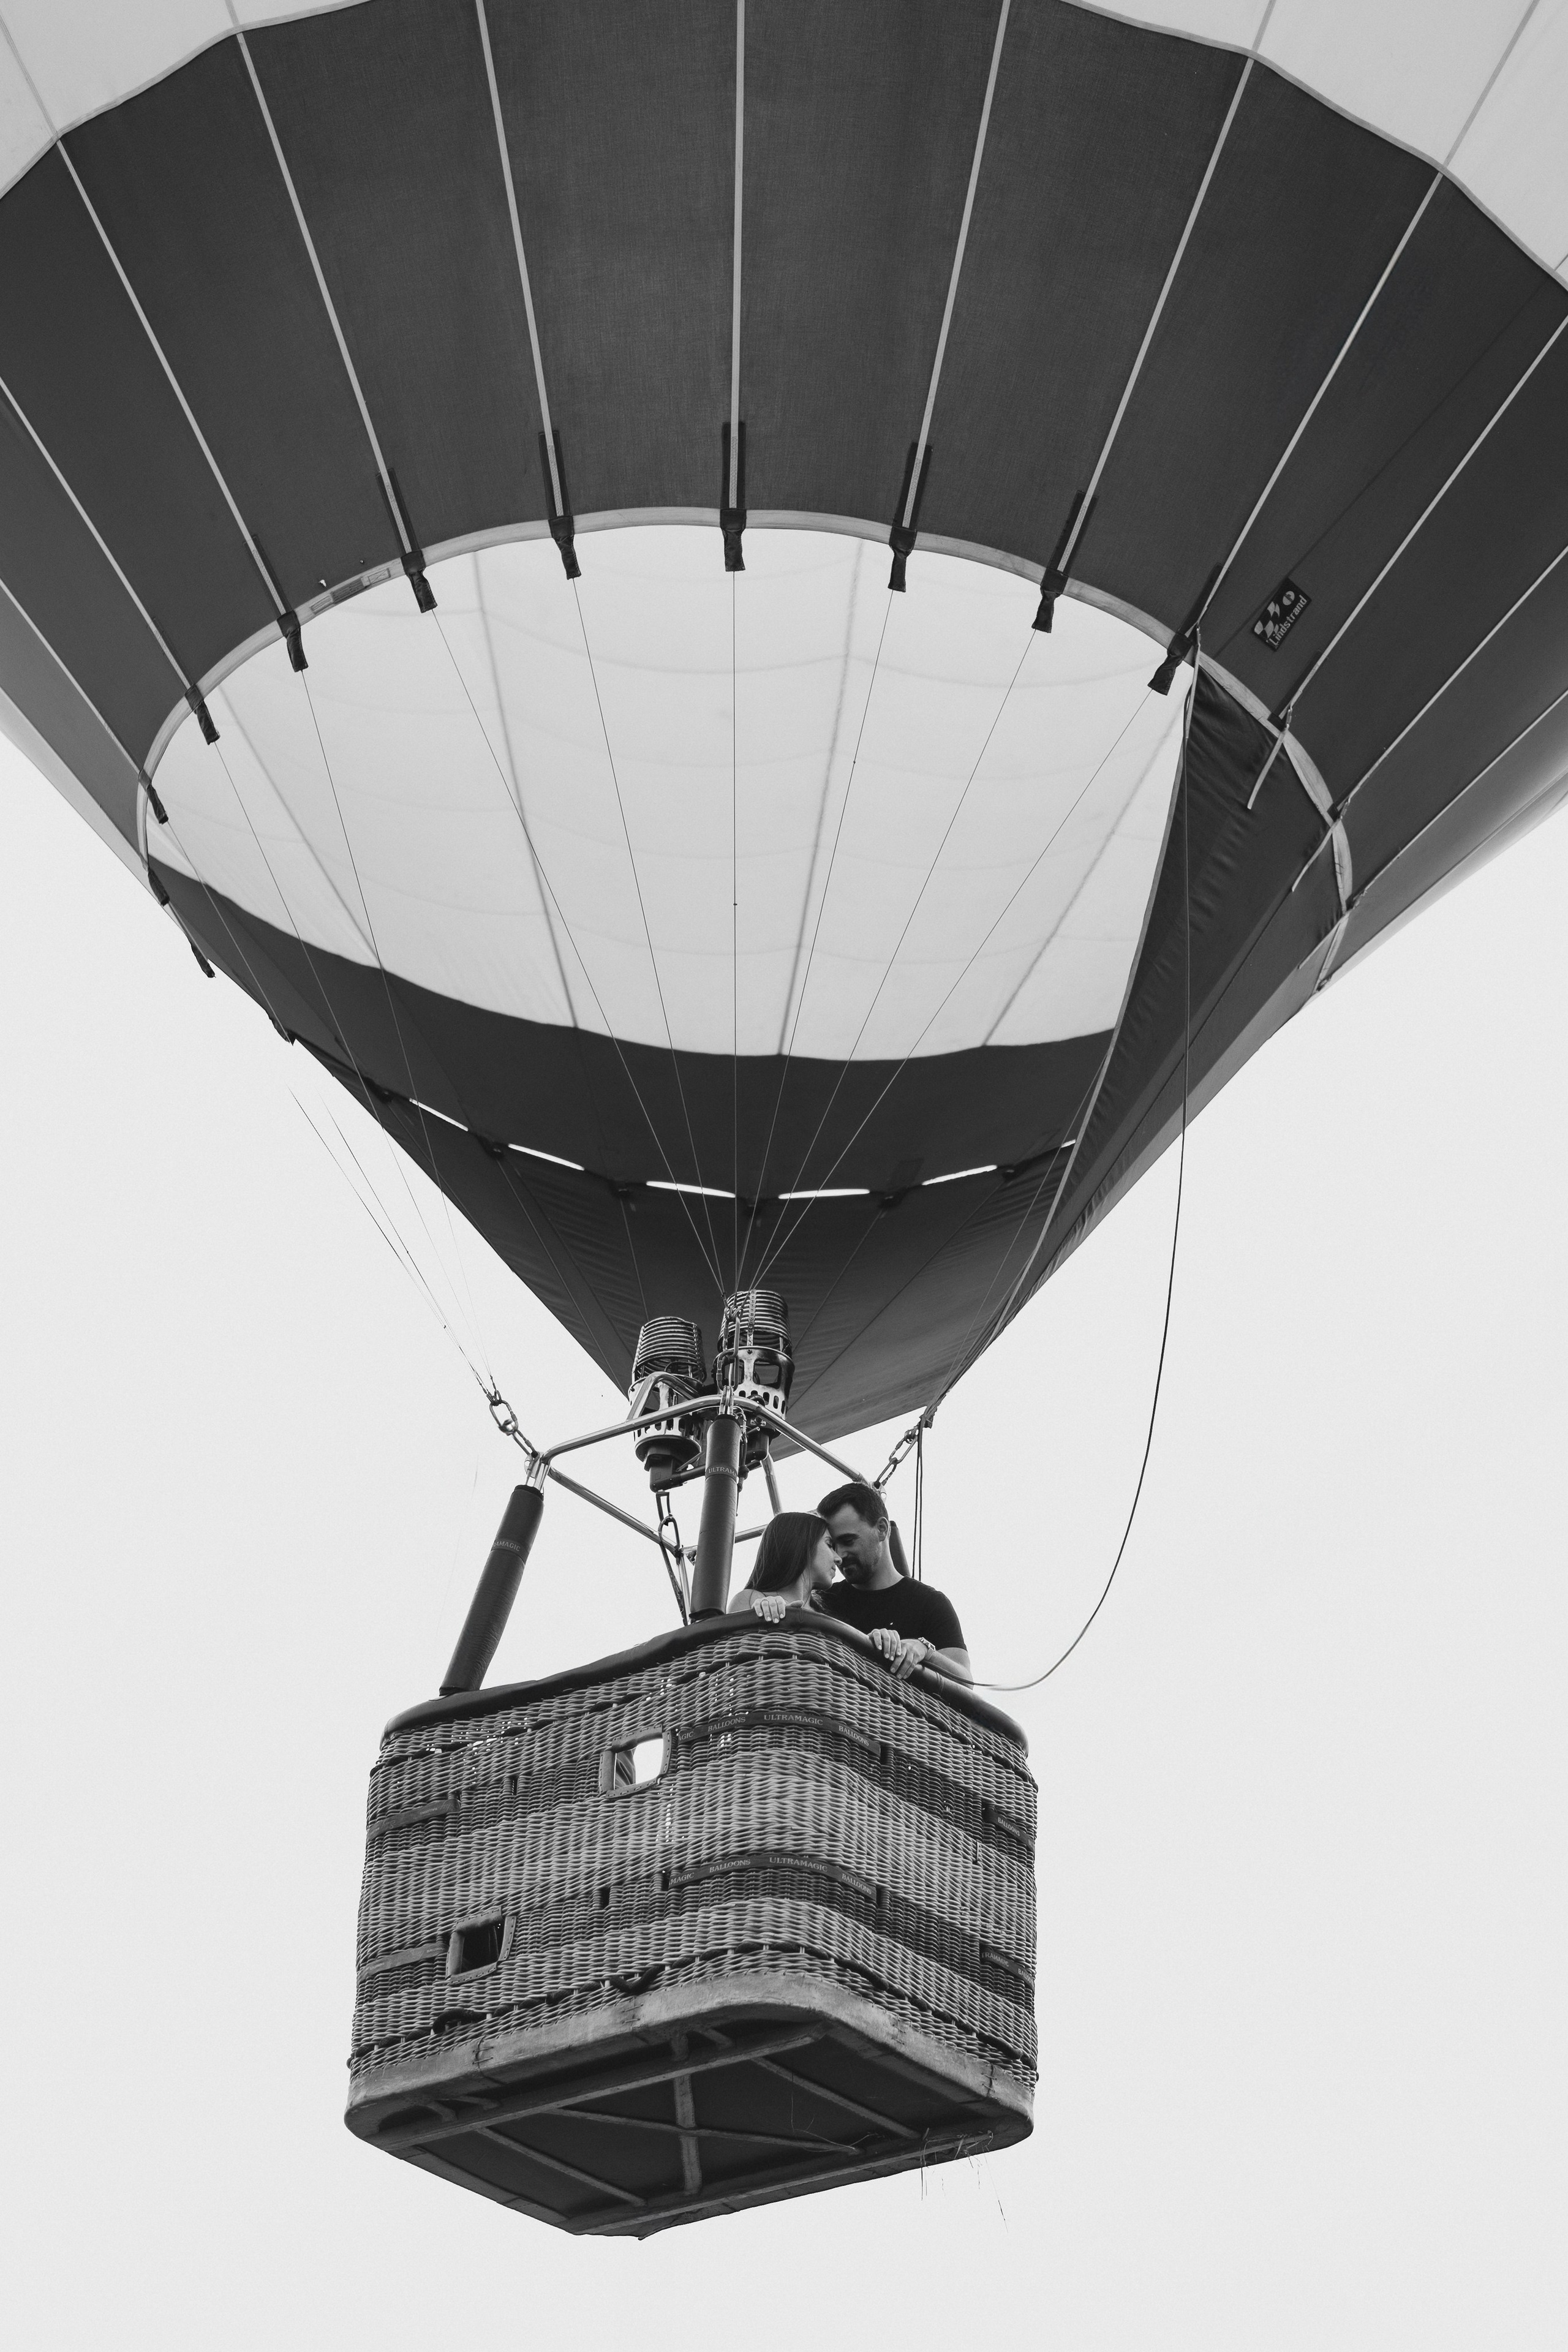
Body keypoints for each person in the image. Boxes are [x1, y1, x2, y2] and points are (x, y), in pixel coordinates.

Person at [816, 1481, 972, 1684]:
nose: (840, 1555)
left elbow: (965, 1682)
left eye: (848, 1541)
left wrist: (924, 1651)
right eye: (833, 1545)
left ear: (881, 1529)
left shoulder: (930, 1603)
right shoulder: (825, 1599)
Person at [726, 1510, 836, 1621]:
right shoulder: (750, 1600)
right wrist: (764, 1618)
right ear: (802, 1544)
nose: (839, 1559)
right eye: (830, 1545)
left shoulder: (829, 1616)